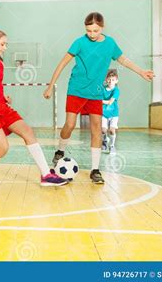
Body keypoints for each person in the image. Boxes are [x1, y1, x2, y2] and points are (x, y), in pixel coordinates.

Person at [43, 12, 153, 184]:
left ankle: (95, 170)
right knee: (70, 124)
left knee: (96, 129)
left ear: (102, 27)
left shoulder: (110, 43)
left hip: (95, 93)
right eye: (88, 31)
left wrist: (141, 72)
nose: (92, 34)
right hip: (77, 89)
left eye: (95, 30)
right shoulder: (79, 42)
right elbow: (62, 63)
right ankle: (60, 151)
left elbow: (123, 60)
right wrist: (50, 85)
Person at [0, 26, 68, 187]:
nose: (5, 47)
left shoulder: (0, 64)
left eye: (6, 44)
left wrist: (4, 96)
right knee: (3, 147)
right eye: (2, 44)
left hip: (2, 107)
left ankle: (46, 175)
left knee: (28, 132)